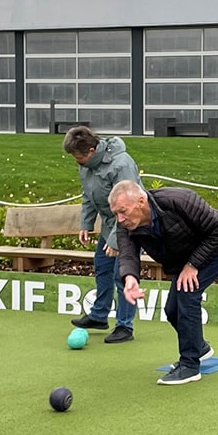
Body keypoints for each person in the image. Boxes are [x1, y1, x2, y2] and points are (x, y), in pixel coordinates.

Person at [110, 180, 218, 385]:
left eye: (123, 211)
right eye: (116, 213)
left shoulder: (179, 200)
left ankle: (189, 365)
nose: (120, 219)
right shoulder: (126, 225)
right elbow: (128, 254)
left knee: (187, 295)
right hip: (185, 256)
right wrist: (130, 278)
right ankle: (199, 347)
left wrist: (193, 264)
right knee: (172, 310)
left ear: (141, 202)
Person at [64, 126, 142, 343]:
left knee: (122, 273)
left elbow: (131, 206)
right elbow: (88, 196)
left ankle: (125, 327)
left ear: (91, 151)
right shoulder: (86, 166)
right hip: (111, 223)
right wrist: (85, 224)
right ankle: (99, 316)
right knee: (102, 265)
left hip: (133, 223)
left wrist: (117, 240)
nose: (76, 160)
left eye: (78, 156)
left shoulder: (121, 164)